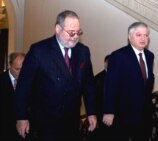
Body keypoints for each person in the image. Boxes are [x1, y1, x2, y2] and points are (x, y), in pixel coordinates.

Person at [15, 10, 97, 141]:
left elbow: (88, 85)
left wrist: (91, 112)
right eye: (71, 32)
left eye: (78, 32)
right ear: (58, 29)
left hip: (71, 121)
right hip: (44, 122)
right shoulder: (39, 51)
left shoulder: (83, 51)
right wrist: (21, 117)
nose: (75, 36)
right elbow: (23, 87)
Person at [102, 22, 155, 141]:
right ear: (130, 37)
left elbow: (147, 79)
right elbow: (111, 85)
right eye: (139, 35)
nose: (143, 38)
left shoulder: (150, 55)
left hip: (143, 115)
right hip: (123, 115)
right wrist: (109, 111)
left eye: (146, 35)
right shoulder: (118, 56)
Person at [0, 52, 25, 141]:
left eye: (23, 69)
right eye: (17, 69)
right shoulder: (2, 81)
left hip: (24, 132)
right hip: (5, 132)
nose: (21, 73)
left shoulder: (31, 81)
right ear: (10, 65)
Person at [89, 55, 111, 141]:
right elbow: (92, 99)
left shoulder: (118, 77)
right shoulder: (97, 79)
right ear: (105, 63)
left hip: (116, 118)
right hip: (101, 116)